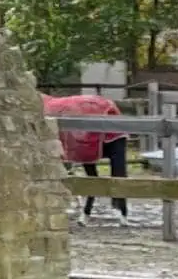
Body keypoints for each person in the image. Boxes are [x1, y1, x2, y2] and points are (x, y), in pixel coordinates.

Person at [43, 91, 131, 221]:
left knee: (92, 173)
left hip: (98, 128)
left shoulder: (45, 107)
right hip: (112, 129)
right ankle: (118, 210)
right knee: (113, 171)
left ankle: (96, 209)